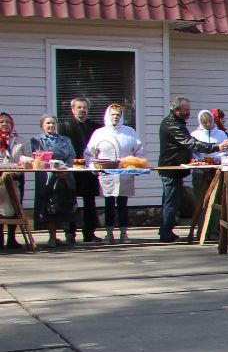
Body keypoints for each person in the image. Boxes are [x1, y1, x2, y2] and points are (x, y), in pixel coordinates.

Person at [156, 97, 228, 242]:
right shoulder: (172, 124)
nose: (188, 113)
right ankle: (166, 232)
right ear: (176, 110)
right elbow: (190, 142)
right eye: (185, 110)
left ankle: (165, 229)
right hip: (171, 168)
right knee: (171, 202)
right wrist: (215, 147)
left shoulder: (176, 122)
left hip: (174, 168)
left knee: (170, 201)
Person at [87, 103, 146, 242]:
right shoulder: (99, 133)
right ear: (108, 116)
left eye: (118, 115)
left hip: (124, 173)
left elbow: (139, 151)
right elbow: (89, 153)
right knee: (108, 203)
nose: (115, 117)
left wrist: (136, 165)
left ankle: (124, 233)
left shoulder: (130, 132)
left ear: (122, 117)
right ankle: (109, 233)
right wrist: (93, 167)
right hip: (106, 173)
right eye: (113, 114)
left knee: (123, 204)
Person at [30, 114, 78, 248]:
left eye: (53, 123)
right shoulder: (37, 140)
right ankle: (52, 236)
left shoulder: (65, 140)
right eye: (48, 123)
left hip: (65, 175)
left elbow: (71, 156)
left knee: (64, 204)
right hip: (48, 176)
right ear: (42, 126)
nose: (51, 126)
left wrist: (64, 168)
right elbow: (39, 156)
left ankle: (64, 235)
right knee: (50, 205)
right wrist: (55, 167)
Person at [62, 96, 101, 243]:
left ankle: (89, 233)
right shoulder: (65, 126)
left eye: (84, 108)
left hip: (89, 168)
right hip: (72, 168)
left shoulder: (96, 127)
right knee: (70, 200)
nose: (82, 110)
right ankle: (70, 233)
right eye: (79, 107)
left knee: (90, 201)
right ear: (73, 109)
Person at [0, 112, 24, 249]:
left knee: (14, 207)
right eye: (1, 122)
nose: (5, 124)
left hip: (15, 177)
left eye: (7, 122)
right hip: (0, 178)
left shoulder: (20, 140)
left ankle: (12, 238)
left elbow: (26, 157)